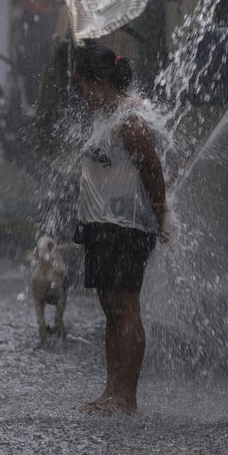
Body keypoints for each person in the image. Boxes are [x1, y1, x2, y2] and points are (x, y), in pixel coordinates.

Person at [71, 44, 168, 415]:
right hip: (102, 224)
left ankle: (125, 397)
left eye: (82, 88)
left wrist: (161, 218)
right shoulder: (106, 112)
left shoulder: (129, 120)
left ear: (98, 82)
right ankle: (110, 392)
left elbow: (154, 171)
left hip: (125, 227)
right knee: (110, 307)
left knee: (125, 308)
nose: (80, 97)